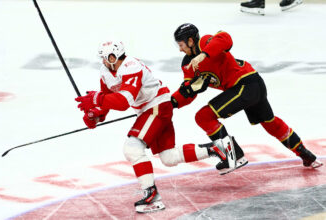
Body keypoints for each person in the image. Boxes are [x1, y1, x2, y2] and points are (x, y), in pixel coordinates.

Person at [75, 40, 236, 213]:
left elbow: (123, 102)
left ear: (113, 57)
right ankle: (216, 148)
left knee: (132, 148)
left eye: (105, 58)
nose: (103, 62)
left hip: (156, 106)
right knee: (169, 157)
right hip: (151, 108)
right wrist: (95, 115)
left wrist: (96, 99)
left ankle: (152, 196)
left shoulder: (131, 66)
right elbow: (107, 100)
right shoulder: (105, 71)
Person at [171, 23, 323, 175]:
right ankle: (306, 154)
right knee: (270, 123)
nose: (180, 49)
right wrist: (171, 102)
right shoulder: (188, 65)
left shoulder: (205, 42)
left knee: (203, 117)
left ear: (191, 41)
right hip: (251, 85)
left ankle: (234, 156)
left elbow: (225, 38)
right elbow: (187, 91)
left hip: (246, 84)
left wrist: (204, 54)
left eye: (181, 44)